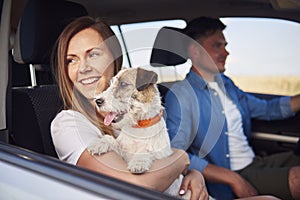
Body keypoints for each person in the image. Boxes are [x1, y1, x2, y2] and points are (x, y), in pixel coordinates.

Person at [50, 16, 209, 200]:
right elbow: (136, 185)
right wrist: (182, 159)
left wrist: (193, 175)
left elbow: (159, 161)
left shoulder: (132, 113)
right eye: (71, 60)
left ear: (115, 59)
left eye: (93, 54)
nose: (83, 68)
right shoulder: (69, 124)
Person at [164, 16, 300, 200]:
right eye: (217, 46)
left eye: (225, 45)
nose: (226, 53)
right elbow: (175, 154)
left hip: (253, 162)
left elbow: (267, 110)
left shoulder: (226, 84)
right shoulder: (182, 94)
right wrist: (232, 178)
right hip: (228, 177)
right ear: (195, 51)